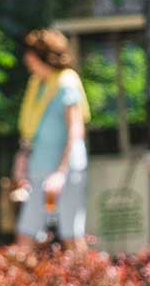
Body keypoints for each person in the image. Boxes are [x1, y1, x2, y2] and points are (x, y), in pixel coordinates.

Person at [14, 29, 92, 244]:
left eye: (29, 55)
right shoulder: (37, 84)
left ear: (40, 56)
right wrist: (22, 159)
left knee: (71, 235)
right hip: (38, 172)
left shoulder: (66, 83)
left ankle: (90, 278)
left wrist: (60, 173)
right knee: (26, 234)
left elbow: (76, 130)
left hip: (63, 174)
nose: (26, 61)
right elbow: (31, 130)